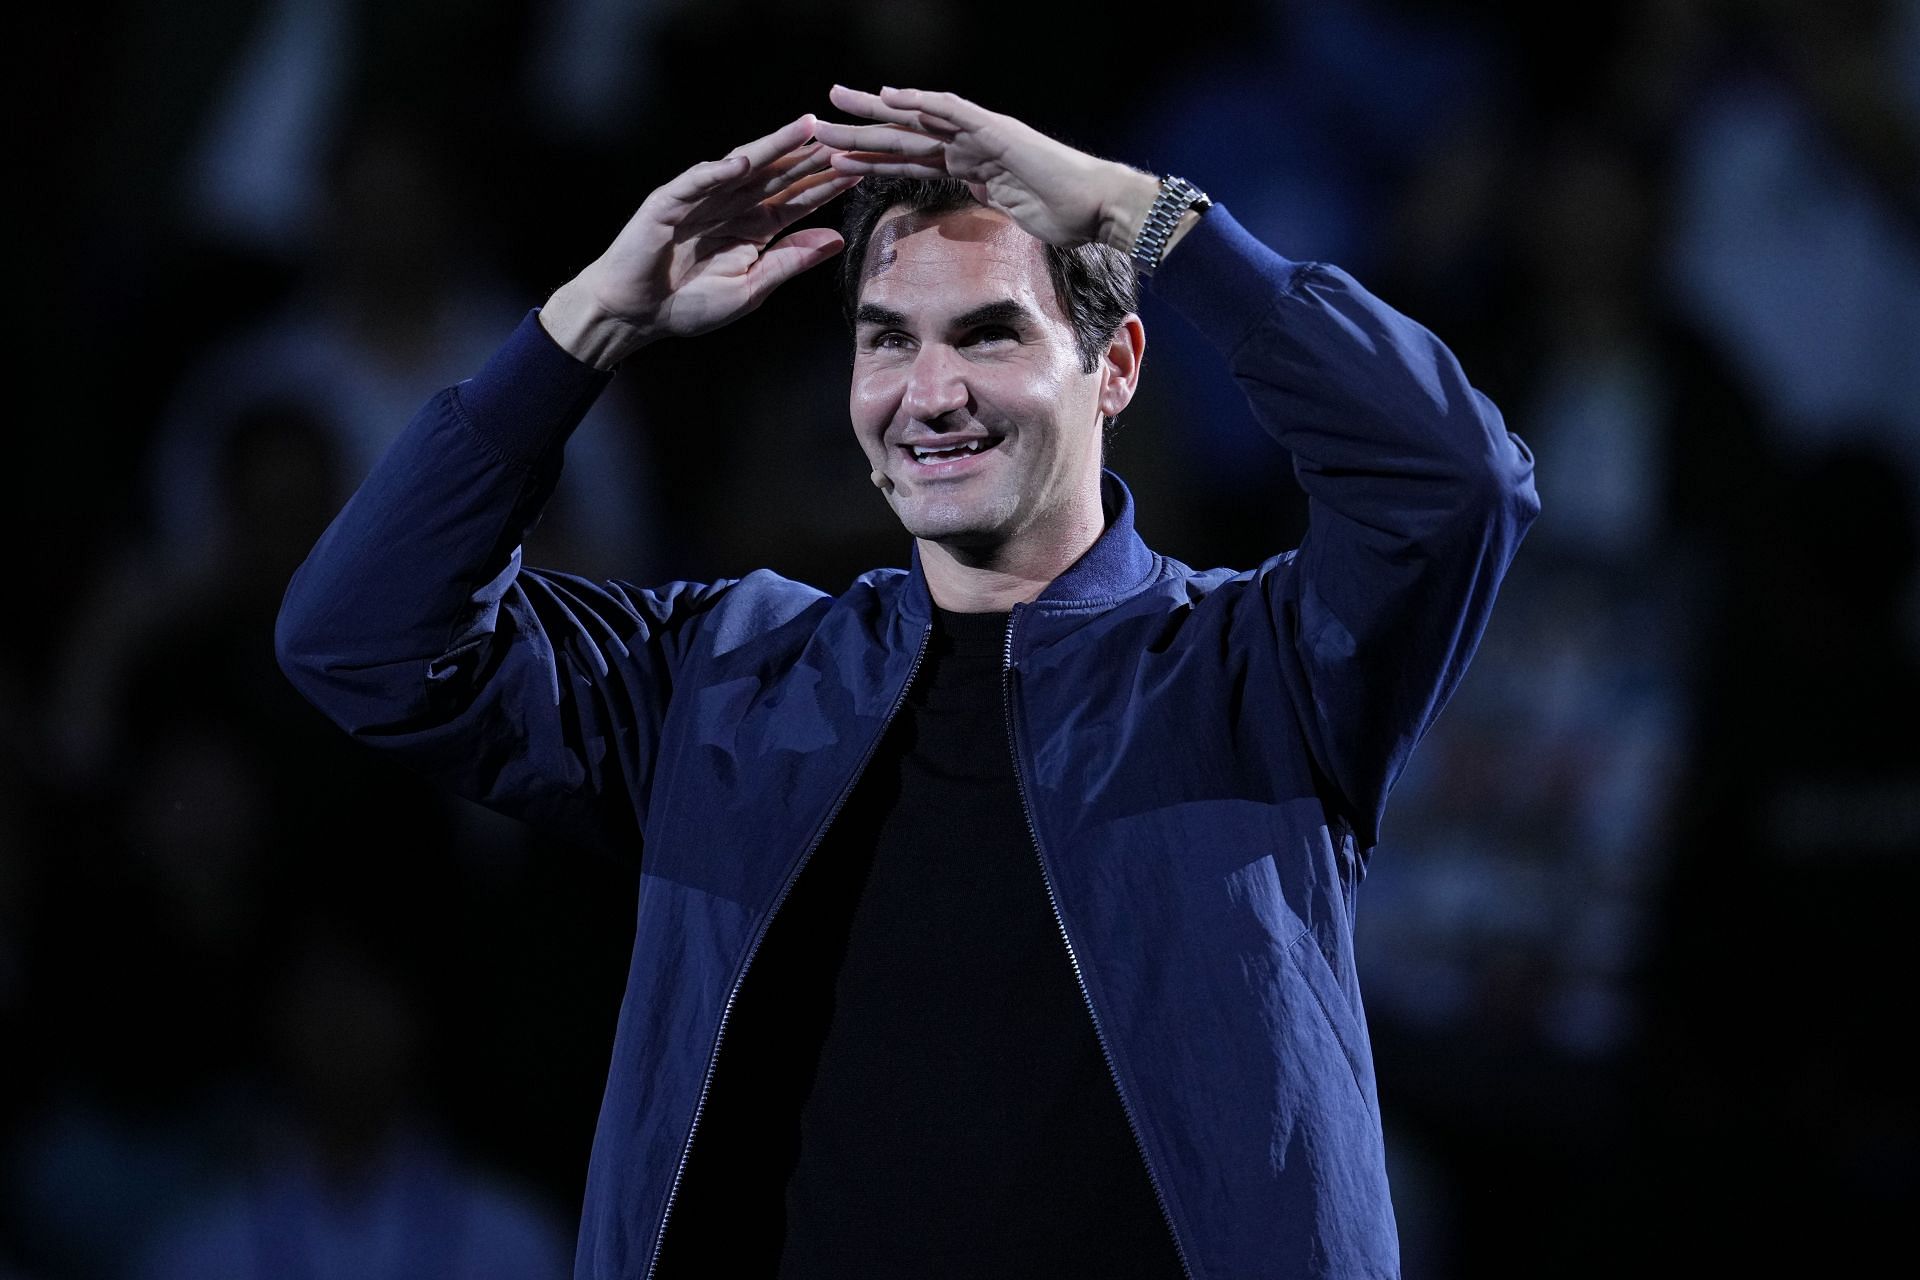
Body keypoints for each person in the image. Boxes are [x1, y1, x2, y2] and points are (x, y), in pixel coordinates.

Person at [275, 84, 1541, 1279]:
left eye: (989, 333)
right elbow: (363, 638)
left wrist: (1138, 213)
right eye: (889, 341)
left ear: (1115, 366)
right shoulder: (730, 678)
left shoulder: (1247, 671)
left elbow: (1452, 481)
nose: (929, 396)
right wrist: (593, 320)